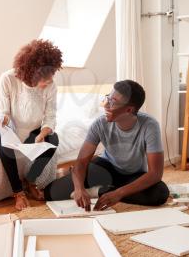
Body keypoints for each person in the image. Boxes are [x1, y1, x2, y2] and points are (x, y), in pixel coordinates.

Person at [44, 79, 169, 211]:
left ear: (129, 109)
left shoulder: (149, 125)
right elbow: (81, 163)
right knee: (50, 193)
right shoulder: (99, 124)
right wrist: (79, 188)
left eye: (112, 102)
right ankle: (102, 189)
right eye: (107, 98)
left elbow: (155, 173)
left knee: (160, 194)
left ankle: (100, 191)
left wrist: (118, 194)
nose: (105, 105)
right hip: (105, 168)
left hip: (133, 175)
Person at [0, 39, 63, 210]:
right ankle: (18, 193)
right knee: (3, 138)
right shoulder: (8, 78)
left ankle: (31, 181)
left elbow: (50, 116)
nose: (49, 80)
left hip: (30, 129)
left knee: (53, 139)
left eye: (52, 74)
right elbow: (2, 111)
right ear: (32, 71)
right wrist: (4, 119)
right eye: (46, 76)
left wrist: (43, 133)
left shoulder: (51, 86)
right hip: (2, 124)